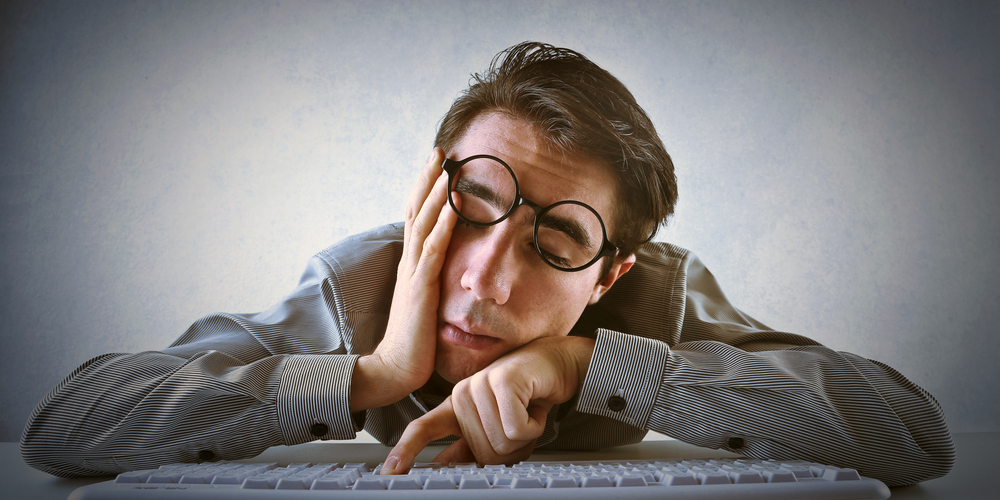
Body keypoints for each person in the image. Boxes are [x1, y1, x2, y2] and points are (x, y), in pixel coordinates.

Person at [21, 42, 954, 487]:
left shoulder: (656, 301)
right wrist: (372, 374)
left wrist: (590, 365)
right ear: (427, 198)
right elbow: (64, 429)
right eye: (474, 204)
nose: (486, 277)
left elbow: (915, 437)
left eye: (559, 239)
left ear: (611, 275)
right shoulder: (364, 288)